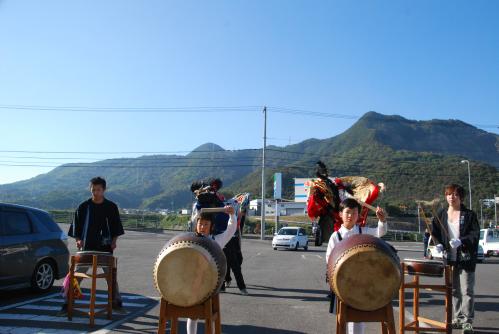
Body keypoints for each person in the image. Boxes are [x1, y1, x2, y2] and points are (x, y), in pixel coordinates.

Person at [59, 177, 125, 316]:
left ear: (104, 190)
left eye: (98, 190)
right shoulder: (84, 206)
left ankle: (116, 303)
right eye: (93, 190)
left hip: (105, 248)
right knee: (76, 275)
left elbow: (116, 226)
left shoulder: (111, 207)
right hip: (86, 248)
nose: (95, 192)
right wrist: (78, 240)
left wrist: (114, 241)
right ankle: (67, 303)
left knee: (110, 277)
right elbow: (76, 226)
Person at [325, 198, 388, 334]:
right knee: (342, 318)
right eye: (347, 212)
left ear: (358, 215)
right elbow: (329, 261)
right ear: (340, 214)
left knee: (359, 318)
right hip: (342, 284)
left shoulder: (363, 231)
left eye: (354, 213)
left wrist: (382, 221)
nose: (350, 216)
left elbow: (380, 232)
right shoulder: (335, 237)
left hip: (362, 283)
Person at [431, 184, 479, 333]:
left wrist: (462, 241)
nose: (452, 197)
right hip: (449, 258)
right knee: (454, 291)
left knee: (467, 291)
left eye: (455, 194)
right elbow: (434, 233)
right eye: (449, 194)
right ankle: (457, 318)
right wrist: (437, 245)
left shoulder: (469, 215)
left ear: (461, 197)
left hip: (465, 258)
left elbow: (475, 234)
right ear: (446, 196)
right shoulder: (441, 214)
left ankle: (467, 321)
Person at [187, 205, 237, 334]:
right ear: (196, 225)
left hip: (209, 285)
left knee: (209, 315)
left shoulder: (216, 241)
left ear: (211, 226)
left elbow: (230, 230)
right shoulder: (189, 240)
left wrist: (232, 215)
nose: (202, 227)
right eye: (200, 224)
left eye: (206, 224)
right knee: (192, 315)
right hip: (191, 284)